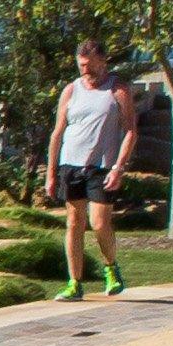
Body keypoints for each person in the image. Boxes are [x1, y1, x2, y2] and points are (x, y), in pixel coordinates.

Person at [44, 41, 136, 296]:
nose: (85, 70)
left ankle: (110, 267)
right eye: (81, 65)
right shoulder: (72, 90)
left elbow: (130, 131)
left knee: (98, 223)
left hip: (102, 166)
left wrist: (119, 167)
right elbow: (57, 132)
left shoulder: (117, 90)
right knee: (74, 222)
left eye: (90, 65)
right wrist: (51, 172)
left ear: (103, 61)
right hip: (70, 164)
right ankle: (74, 283)